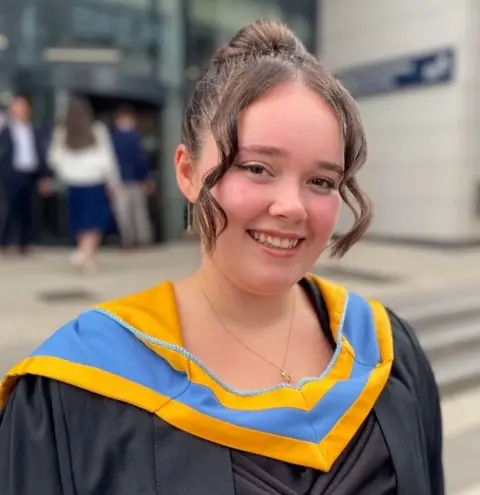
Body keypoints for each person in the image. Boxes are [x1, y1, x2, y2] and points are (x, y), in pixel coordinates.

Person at [0, 19, 443, 495]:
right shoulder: (75, 386)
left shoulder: (386, 352)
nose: (292, 207)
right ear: (187, 171)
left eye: (322, 181)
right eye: (256, 167)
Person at [47, 95, 120, 272]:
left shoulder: (62, 132)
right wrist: (114, 181)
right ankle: (87, 255)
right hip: (95, 181)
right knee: (95, 221)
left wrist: (66, 171)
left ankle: (86, 254)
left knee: (80, 221)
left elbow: (53, 159)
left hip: (74, 183)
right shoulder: (98, 130)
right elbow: (108, 159)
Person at [0, 96, 51, 255]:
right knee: (9, 209)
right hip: (11, 174)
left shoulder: (36, 130)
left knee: (28, 210)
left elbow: (41, 154)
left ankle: (25, 243)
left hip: (30, 173)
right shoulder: (5, 131)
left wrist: (44, 176)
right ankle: (4, 242)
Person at [110, 105, 155, 248]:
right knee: (139, 213)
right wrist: (146, 178)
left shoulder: (112, 138)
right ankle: (143, 239)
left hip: (119, 180)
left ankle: (127, 240)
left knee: (123, 213)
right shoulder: (136, 137)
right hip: (136, 180)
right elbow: (141, 160)